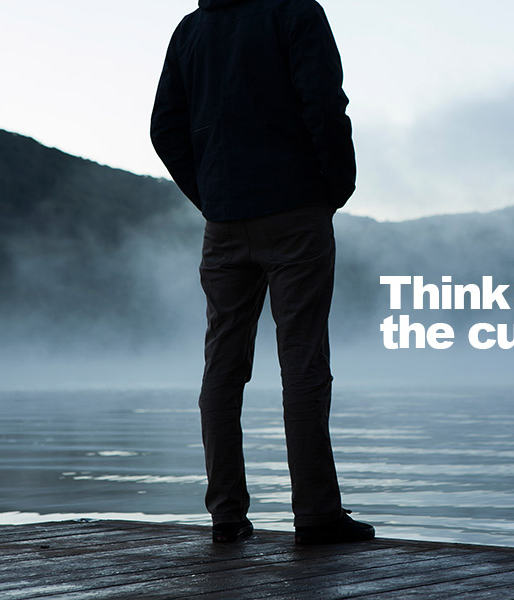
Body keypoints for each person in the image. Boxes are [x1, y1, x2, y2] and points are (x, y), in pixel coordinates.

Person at [150, 0, 374, 544]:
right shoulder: (294, 12)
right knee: (302, 360)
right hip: (296, 208)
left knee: (222, 368)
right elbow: (323, 102)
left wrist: (212, 196)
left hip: (225, 220)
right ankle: (316, 516)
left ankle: (226, 515)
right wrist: (334, 187)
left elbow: (165, 130)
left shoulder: (191, 31)